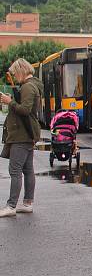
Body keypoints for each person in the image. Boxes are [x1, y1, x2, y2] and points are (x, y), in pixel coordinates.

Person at [0, 59, 44, 218]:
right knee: (27, 169)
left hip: (21, 134)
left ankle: (11, 206)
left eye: (14, 73)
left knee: (15, 170)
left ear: (21, 70)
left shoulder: (27, 87)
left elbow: (24, 110)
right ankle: (27, 203)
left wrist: (9, 102)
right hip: (27, 133)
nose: (14, 76)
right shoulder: (34, 85)